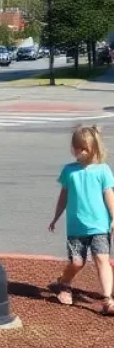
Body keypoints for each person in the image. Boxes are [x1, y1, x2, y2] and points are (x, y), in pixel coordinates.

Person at [49, 125, 114, 314]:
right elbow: (63, 197)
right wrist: (56, 217)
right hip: (76, 227)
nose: (78, 151)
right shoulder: (69, 171)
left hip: (99, 226)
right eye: (76, 147)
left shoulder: (102, 170)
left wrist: (113, 216)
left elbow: (108, 195)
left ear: (93, 148)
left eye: (83, 148)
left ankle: (107, 299)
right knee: (77, 262)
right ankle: (65, 282)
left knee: (102, 259)